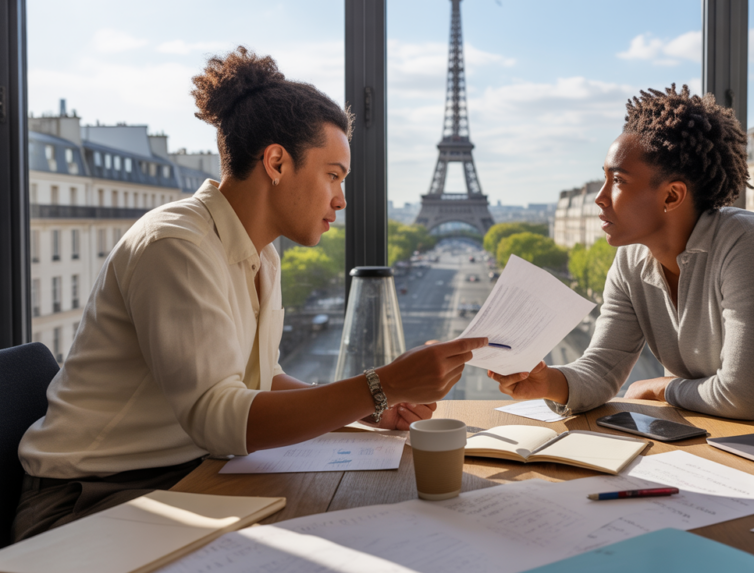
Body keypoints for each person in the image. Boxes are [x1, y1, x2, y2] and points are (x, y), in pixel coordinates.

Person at [13, 47, 487, 542]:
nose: (341, 200)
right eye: (333, 175)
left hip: (180, 477)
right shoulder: (176, 244)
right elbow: (219, 417)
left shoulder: (260, 254)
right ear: (277, 162)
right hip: (84, 502)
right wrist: (380, 383)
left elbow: (261, 379)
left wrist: (370, 408)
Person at [490, 84, 754, 421]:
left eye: (619, 181)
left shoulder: (749, 242)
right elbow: (602, 367)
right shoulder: (630, 261)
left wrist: (664, 388)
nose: (600, 197)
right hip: (723, 427)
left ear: (672, 196)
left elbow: (741, 396)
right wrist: (548, 383)